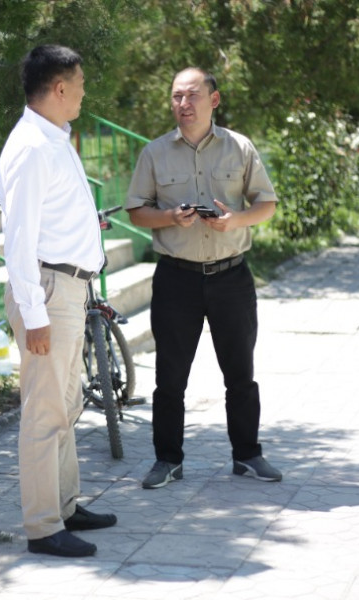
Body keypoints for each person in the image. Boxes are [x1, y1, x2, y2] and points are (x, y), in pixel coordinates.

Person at [125, 67, 282, 490]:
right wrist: (169, 217)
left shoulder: (239, 147)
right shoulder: (154, 153)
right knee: (169, 378)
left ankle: (247, 455)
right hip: (176, 280)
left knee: (241, 374)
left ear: (213, 100)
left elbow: (266, 203)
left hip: (232, 277)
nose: (183, 103)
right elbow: (137, 211)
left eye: (192, 95)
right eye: (177, 96)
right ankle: (167, 461)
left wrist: (235, 221)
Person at [0, 44, 117, 558]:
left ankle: (65, 506)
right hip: (46, 292)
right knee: (45, 413)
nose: (85, 92)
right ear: (60, 87)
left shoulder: (54, 138)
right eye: (81, 83)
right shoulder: (31, 146)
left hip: (68, 288)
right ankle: (44, 526)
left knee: (66, 406)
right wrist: (34, 315)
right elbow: (19, 239)